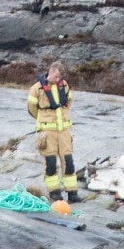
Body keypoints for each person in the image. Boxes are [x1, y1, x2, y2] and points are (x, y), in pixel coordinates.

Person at [26, 61, 80, 202]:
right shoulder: (36, 89)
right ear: (50, 72)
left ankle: (72, 193)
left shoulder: (65, 86)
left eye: (60, 77)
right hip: (47, 132)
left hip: (64, 131)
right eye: (56, 77)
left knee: (68, 162)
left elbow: (68, 102)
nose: (58, 80)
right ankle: (55, 193)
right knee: (50, 163)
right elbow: (32, 109)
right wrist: (44, 119)